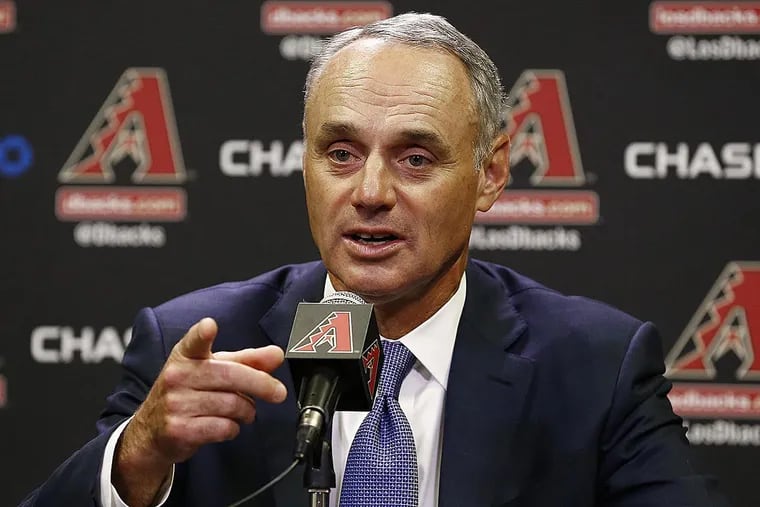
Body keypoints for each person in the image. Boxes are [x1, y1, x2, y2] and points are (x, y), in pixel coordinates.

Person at [23, 12, 725, 507]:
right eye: (341, 154)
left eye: (415, 158)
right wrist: (138, 454)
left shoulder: (596, 366)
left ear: (491, 173)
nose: (368, 193)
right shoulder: (202, 341)